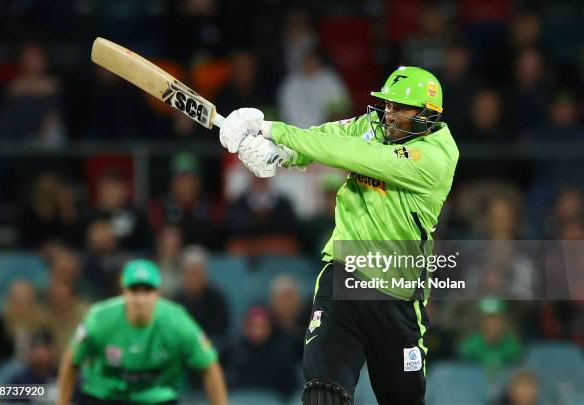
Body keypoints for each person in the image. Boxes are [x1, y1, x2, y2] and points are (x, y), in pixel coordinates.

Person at [219, 66, 459, 404]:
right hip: (343, 275)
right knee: (322, 394)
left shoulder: (436, 156)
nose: (389, 115)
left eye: (401, 108)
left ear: (428, 115)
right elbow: (328, 138)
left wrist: (274, 130)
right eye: (387, 105)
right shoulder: (372, 126)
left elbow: (358, 155)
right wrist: (286, 154)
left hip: (395, 293)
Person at [57, 259, 227, 405]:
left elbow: (209, 365)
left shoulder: (178, 322)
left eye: (147, 291)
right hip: (103, 396)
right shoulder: (98, 319)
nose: (140, 299)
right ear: (123, 291)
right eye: (134, 290)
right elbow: (72, 361)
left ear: (157, 293)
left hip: (156, 397)